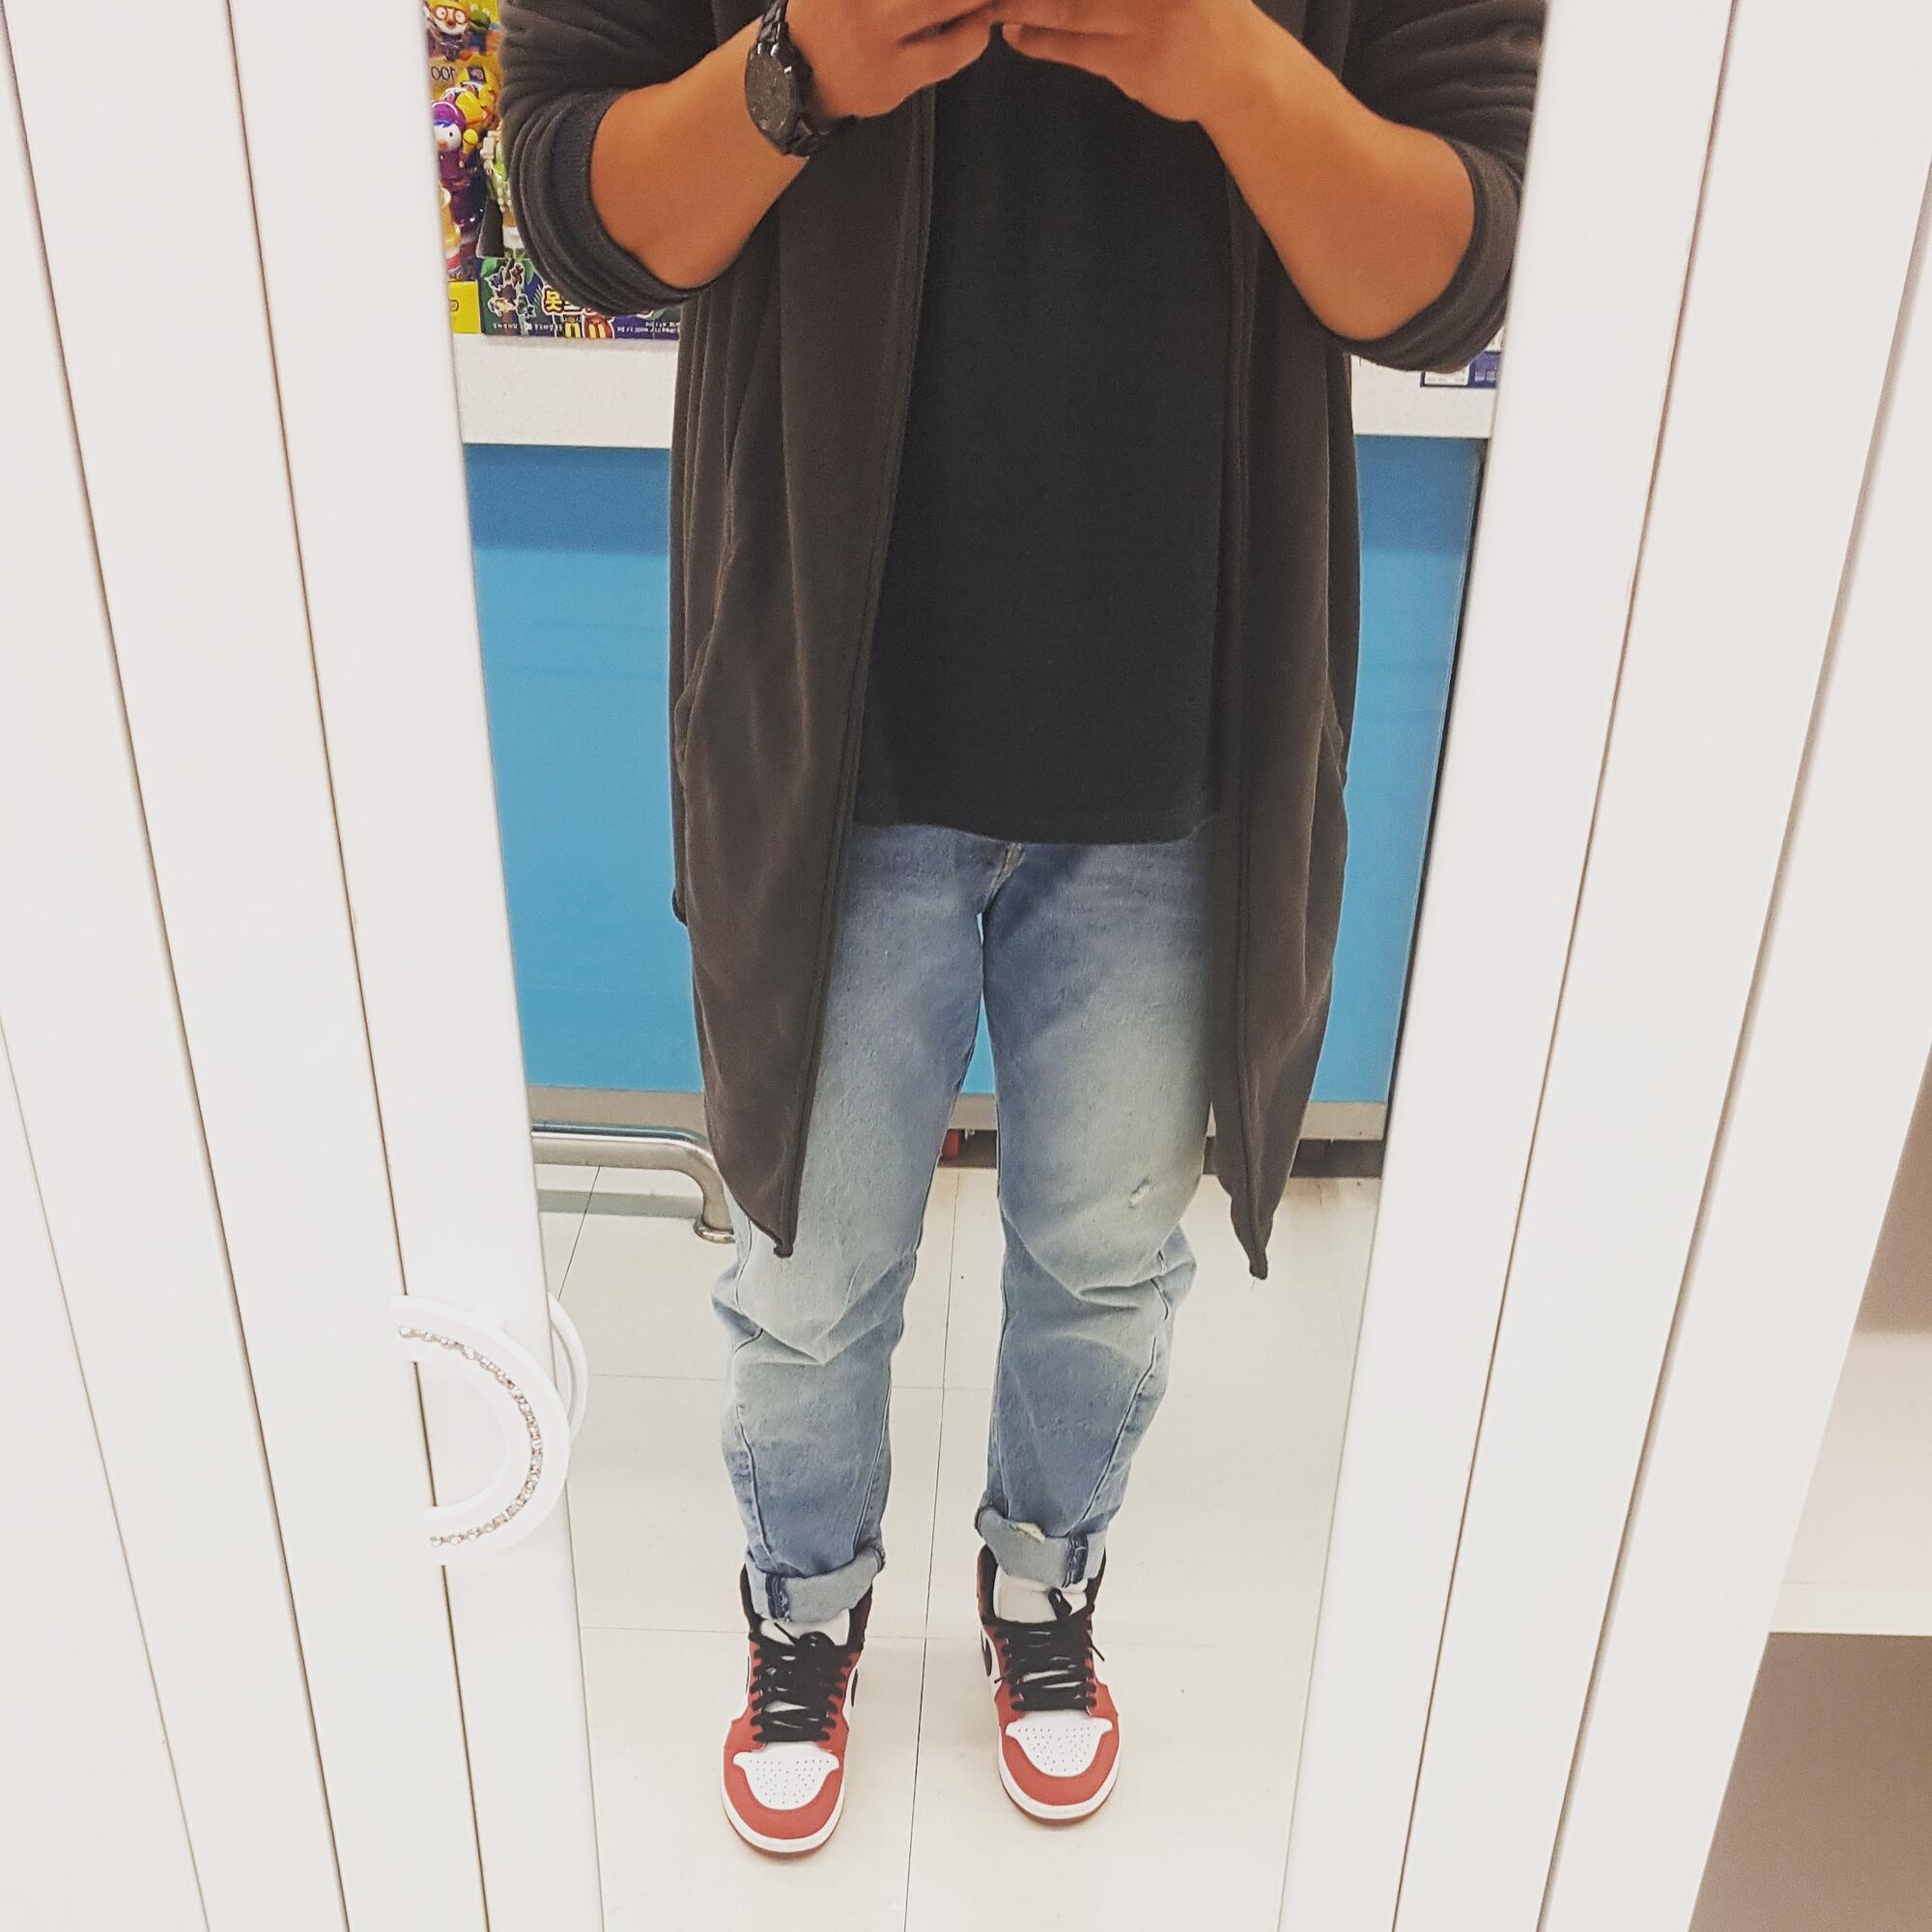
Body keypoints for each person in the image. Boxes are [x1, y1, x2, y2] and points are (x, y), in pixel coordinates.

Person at [501, 0, 1540, 1855]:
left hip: (1181, 717)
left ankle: (1044, 1581)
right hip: (831, 715)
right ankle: (805, 1601)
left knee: (1106, 1256)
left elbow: (1465, 261)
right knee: (808, 1270)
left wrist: (1228, 62)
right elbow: (572, 205)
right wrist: (796, 66)